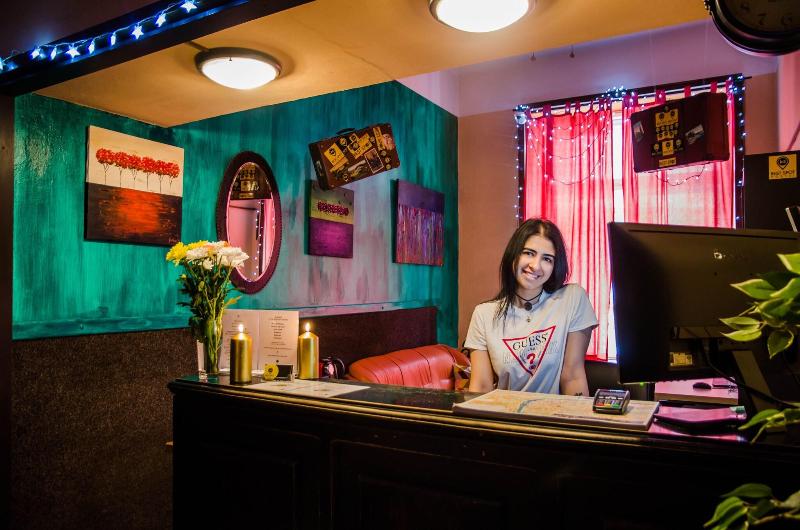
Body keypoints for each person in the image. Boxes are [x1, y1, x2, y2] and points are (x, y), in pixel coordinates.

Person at [464, 218, 598, 395]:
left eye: (547, 259)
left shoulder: (572, 299)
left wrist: (579, 413)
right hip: (505, 412)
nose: (535, 266)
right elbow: (481, 387)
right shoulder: (484, 315)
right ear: (514, 255)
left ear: (554, 266)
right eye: (528, 253)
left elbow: (573, 376)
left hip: (555, 412)